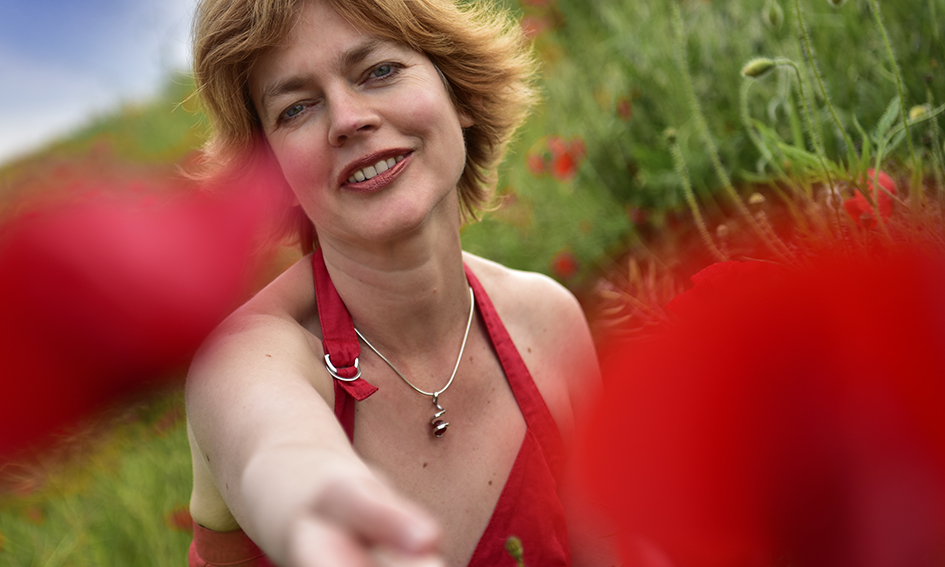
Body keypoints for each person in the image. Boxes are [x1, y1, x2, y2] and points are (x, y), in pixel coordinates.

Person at [184, 0, 614, 565]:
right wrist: (325, 513)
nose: (347, 119)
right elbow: (272, 448)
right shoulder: (241, 360)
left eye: (379, 71)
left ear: (456, 92)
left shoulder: (547, 322)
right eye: (296, 109)